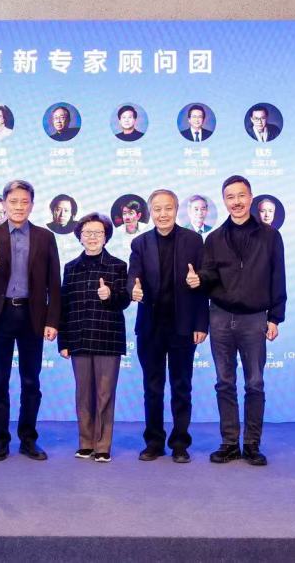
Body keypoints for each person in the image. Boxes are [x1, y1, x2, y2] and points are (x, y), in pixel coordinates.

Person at [191, 175, 285, 467]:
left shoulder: (270, 236)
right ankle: (229, 443)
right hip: (220, 317)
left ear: (251, 197)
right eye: (230, 197)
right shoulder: (214, 238)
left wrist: (275, 317)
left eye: (241, 195)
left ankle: (252, 444)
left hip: (255, 319)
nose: (236, 202)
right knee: (224, 382)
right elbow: (209, 276)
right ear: (224, 201)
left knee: (254, 383)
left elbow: (277, 277)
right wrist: (198, 279)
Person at [0, 180, 61, 461]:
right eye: (13, 201)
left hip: (33, 316)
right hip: (0, 315)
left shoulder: (45, 237)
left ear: (31, 205)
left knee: (31, 382)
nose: (19, 207)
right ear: (5, 204)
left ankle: (28, 440)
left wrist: (53, 320)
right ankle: (0, 441)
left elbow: (54, 282)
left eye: (24, 202)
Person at [128, 190, 208, 463]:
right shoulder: (140, 243)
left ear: (176, 210)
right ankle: (154, 443)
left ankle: (180, 444)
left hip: (182, 326)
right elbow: (133, 276)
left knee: (181, 386)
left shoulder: (193, 241)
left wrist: (201, 323)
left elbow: (201, 287)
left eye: (168, 208)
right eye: (157, 209)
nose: (163, 214)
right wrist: (132, 290)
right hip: (150, 327)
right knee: (152, 388)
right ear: (151, 212)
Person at [58, 213, 130, 463]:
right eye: (87, 233)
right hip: (78, 337)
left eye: (98, 233)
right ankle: (86, 443)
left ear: (106, 237)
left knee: (105, 394)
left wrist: (110, 295)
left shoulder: (118, 266)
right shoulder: (71, 268)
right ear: (79, 237)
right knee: (83, 393)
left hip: (108, 338)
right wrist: (64, 341)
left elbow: (125, 300)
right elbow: (64, 305)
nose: (92, 237)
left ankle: (102, 445)